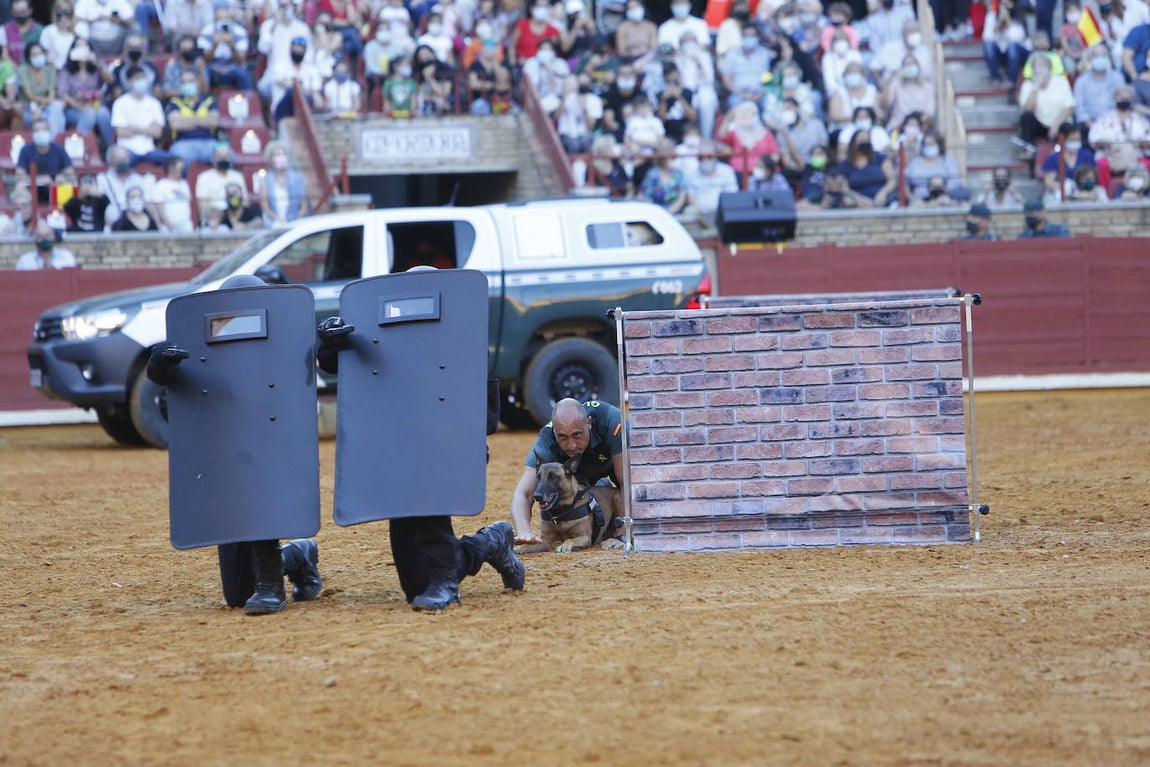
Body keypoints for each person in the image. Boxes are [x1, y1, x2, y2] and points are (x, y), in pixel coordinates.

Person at [315, 313, 526, 612]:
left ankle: (447, 583)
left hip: (442, 450)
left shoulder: (461, 338)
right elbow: (339, 363)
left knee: (430, 528)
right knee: (415, 584)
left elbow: (483, 413)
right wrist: (331, 342)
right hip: (400, 451)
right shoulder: (387, 341)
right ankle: (491, 543)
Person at [145, 275, 324, 616]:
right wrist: (160, 361)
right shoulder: (202, 332)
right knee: (238, 593)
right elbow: (169, 374)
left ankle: (272, 583)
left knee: (262, 499)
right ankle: (298, 555)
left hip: (268, 437)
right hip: (225, 447)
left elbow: (306, 365)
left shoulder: (285, 328)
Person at [510, 398, 625, 548]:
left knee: (628, 486)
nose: (571, 445)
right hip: (573, 479)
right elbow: (523, 493)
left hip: (611, 466)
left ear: (588, 423)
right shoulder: (546, 440)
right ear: (555, 432)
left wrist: (622, 534)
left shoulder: (612, 422)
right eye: (562, 437)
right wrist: (524, 532)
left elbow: (627, 484)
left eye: (577, 435)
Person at [57, 40, 113, 149]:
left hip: (95, 105)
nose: (81, 49)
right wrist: (80, 106)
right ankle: (77, 148)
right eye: (78, 46)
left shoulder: (97, 64)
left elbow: (110, 80)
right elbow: (62, 93)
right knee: (89, 114)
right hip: (73, 108)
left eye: (84, 46)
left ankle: (111, 150)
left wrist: (96, 64)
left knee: (104, 113)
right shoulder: (67, 68)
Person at [1018, 55, 1076, 158]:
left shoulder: (1060, 81)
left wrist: (1055, 125)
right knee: (1026, 118)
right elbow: (1028, 109)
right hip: (1040, 124)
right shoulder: (1027, 85)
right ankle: (1030, 150)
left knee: (1070, 127)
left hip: (1060, 123)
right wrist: (1036, 88)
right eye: (1037, 66)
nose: (1040, 68)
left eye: (1042, 65)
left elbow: (1069, 106)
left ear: (1049, 67)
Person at [111, 66, 169, 167]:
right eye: (137, 78)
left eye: (143, 78)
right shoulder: (120, 103)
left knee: (173, 161)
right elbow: (121, 132)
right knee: (122, 161)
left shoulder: (154, 103)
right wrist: (147, 130)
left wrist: (132, 128)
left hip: (149, 150)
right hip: (127, 150)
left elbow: (158, 133)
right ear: (129, 81)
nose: (141, 81)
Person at [1088, 85, 1150, 176]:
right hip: (1110, 155)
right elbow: (1093, 139)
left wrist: (1139, 143)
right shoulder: (1103, 119)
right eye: (1121, 97)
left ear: (1131, 99)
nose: (1124, 99)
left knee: (1147, 164)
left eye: (1127, 98)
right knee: (1102, 165)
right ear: (1115, 98)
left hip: (1135, 156)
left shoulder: (1140, 120)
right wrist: (1109, 144)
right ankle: (1105, 190)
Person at [167, 69, 220, 168]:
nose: (187, 85)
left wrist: (187, 121)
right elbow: (176, 125)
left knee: (225, 154)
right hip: (182, 144)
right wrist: (203, 120)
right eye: (183, 82)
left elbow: (214, 122)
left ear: (197, 82)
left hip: (209, 143)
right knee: (177, 159)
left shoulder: (209, 100)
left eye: (190, 81)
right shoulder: (175, 102)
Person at [197, 0, 253, 91]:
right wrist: (214, 45)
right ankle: (204, 102)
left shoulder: (240, 31)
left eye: (225, 10)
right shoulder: (206, 31)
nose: (223, 14)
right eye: (220, 10)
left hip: (233, 68)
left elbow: (241, 61)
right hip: (213, 68)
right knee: (202, 71)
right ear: (214, 13)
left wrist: (232, 45)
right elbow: (205, 60)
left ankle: (248, 101)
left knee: (242, 73)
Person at [17, 41, 66, 138]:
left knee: (57, 107)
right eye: (34, 55)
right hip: (28, 109)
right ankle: (55, 142)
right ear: (29, 57)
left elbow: (51, 96)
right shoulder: (23, 70)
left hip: (44, 108)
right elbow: (30, 96)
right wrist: (38, 110)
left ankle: (53, 141)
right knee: (57, 117)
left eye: (40, 53)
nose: (38, 56)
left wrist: (40, 108)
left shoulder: (50, 70)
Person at [684, 141, 739, 225]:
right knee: (689, 212)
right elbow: (691, 197)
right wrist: (699, 210)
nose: (705, 160)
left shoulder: (726, 171)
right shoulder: (691, 173)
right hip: (699, 214)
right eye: (701, 157)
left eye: (709, 157)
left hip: (722, 212)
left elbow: (731, 195)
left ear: (715, 156)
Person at [98, 144, 154, 223]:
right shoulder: (103, 178)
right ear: (110, 162)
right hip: (112, 218)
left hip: (135, 217)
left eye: (124, 159)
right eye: (118, 160)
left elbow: (145, 201)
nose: (122, 162)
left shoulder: (137, 179)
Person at [259, 141, 309, 225]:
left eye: (283, 154)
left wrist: (296, 219)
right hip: (274, 223)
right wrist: (277, 219)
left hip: (295, 222)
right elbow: (265, 206)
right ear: (270, 159)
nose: (281, 157)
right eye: (277, 155)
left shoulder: (298, 179)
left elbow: (304, 205)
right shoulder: (265, 180)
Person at [638, 137, 688, 214]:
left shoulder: (678, 174)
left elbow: (682, 197)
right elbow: (644, 196)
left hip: (676, 214)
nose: (669, 158)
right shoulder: (652, 174)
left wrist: (669, 212)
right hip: (655, 214)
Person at [195, 142, 245, 216]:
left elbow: (245, 201)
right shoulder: (204, 177)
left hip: (236, 214)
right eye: (220, 156)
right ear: (213, 158)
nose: (223, 159)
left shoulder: (238, 176)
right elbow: (203, 204)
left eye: (226, 156)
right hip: (216, 217)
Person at [151, 156, 195, 233]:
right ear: (171, 168)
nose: (183, 169)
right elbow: (160, 209)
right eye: (180, 167)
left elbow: (188, 204)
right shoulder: (161, 185)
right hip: (168, 227)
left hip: (185, 224)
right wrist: (171, 228)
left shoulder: (184, 184)